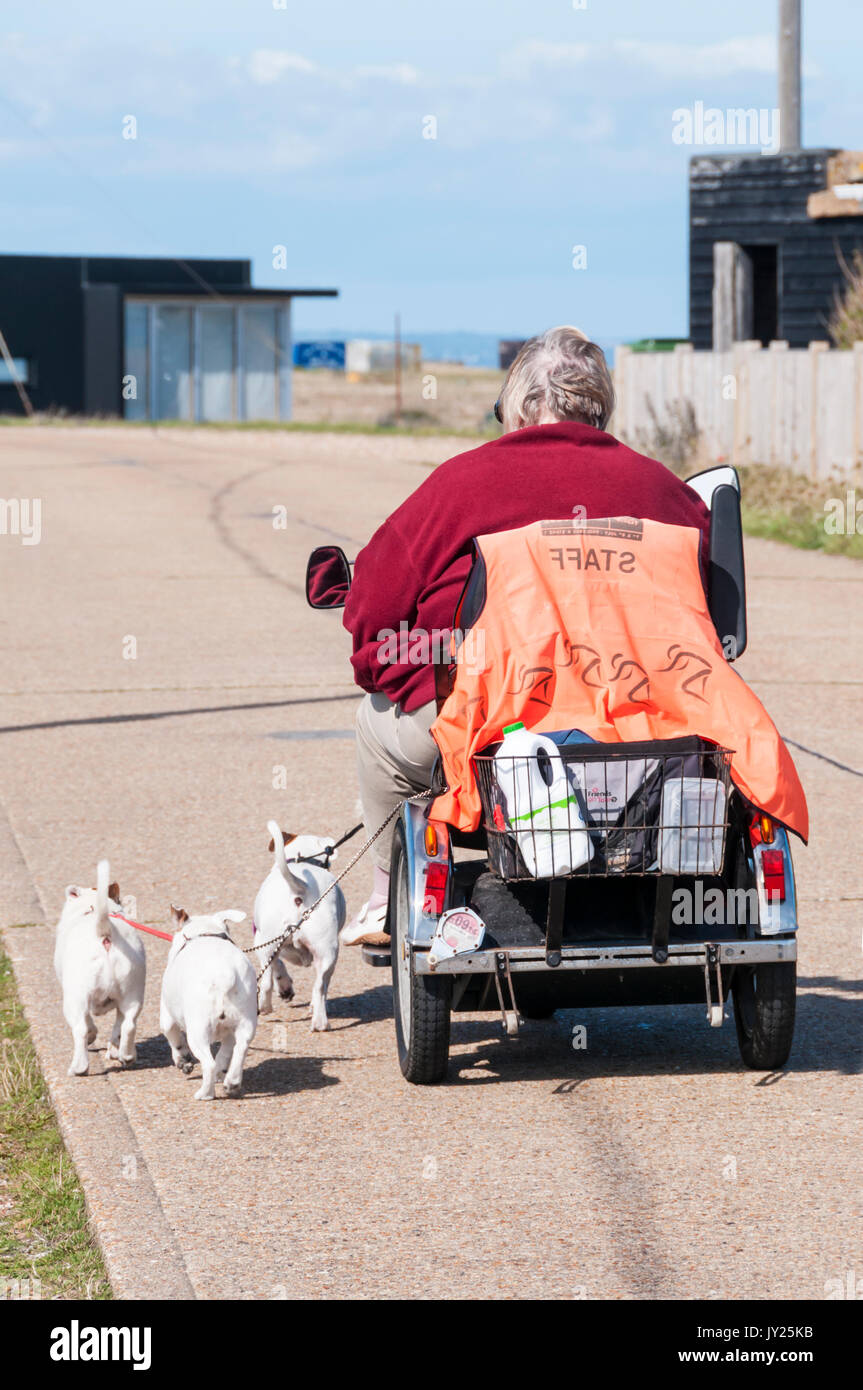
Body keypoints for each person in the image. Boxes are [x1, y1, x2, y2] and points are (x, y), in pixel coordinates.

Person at [340, 325, 710, 945]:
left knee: (374, 729)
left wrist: (384, 666)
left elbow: (374, 603)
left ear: (516, 405)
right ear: (601, 405)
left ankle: (386, 897)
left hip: (492, 723)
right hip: (644, 724)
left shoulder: (462, 483)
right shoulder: (665, 492)